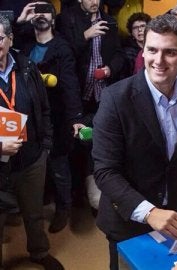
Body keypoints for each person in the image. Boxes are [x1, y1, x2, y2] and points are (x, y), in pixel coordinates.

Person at [92, 14, 177, 270]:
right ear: (143, 51)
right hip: (127, 220)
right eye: (152, 50)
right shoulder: (115, 99)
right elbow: (105, 172)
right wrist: (149, 212)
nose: (159, 61)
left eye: (170, 52)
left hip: (176, 213)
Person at [15, 0, 86, 233]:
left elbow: (70, 84)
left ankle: (63, 209)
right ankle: (42, 200)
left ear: (53, 20)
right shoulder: (24, 45)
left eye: (46, 12)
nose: (41, 15)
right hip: (28, 118)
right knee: (34, 163)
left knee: (59, 165)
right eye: (37, 12)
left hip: (56, 117)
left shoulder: (62, 48)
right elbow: (4, 41)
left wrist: (76, 116)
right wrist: (20, 18)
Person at [0, 15, 64, 270]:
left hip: (32, 158)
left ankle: (39, 252)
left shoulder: (26, 67)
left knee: (33, 212)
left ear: (10, 39)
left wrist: (45, 147)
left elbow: (44, 108)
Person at [56, 0, 126, 212]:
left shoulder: (110, 21)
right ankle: (78, 197)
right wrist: (85, 35)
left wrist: (110, 69)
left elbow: (119, 54)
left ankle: (101, 194)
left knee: (99, 142)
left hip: (102, 95)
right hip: (77, 96)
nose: (95, 2)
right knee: (76, 144)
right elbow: (63, 53)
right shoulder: (67, 20)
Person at [123, 12, 151, 77]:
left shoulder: (156, 47)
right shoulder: (127, 54)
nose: (139, 30)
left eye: (143, 26)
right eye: (135, 28)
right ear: (131, 33)